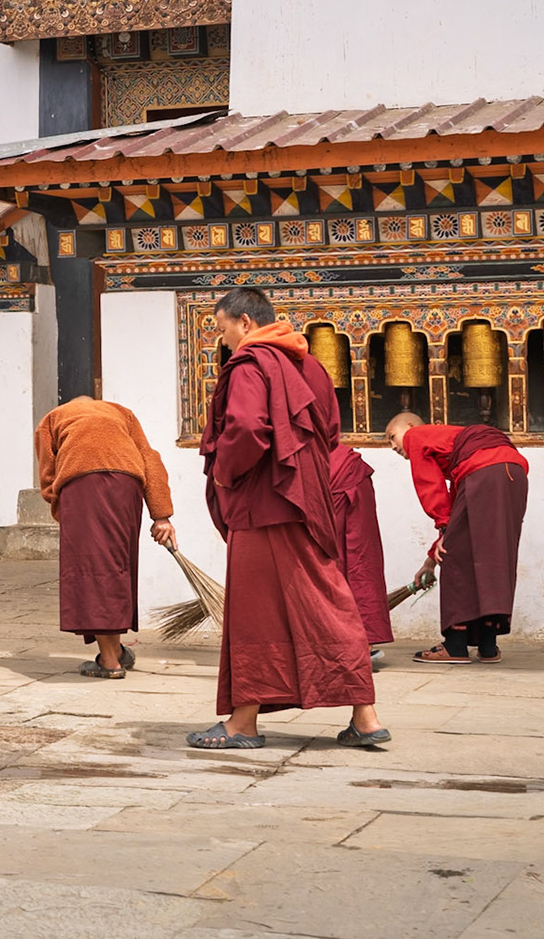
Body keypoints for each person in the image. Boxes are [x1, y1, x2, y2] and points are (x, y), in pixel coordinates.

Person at [191, 287, 389, 749]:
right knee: (321, 599)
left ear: (244, 323)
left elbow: (244, 429)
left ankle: (243, 725)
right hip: (307, 499)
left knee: (254, 613)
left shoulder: (251, 364)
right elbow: (330, 431)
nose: (224, 343)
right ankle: (364, 716)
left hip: (264, 503)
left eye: (222, 331)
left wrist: (223, 474)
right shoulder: (311, 365)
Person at [34, 396, 177, 678]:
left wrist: (63, 507)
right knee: (116, 566)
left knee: (91, 569)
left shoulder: (51, 419)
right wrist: (162, 516)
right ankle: (117, 651)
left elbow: (48, 474)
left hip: (81, 483)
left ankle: (109, 661)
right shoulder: (122, 413)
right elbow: (150, 459)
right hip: (128, 483)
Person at [384, 413, 529, 665]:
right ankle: (487, 643)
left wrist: (443, 532)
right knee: (492, 555)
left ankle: (455, 644)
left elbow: (430, 486)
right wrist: (431, 560)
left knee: (456, 557)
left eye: (392, 437)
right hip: (512, 473)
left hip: (485, 472)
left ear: (409, 427)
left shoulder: (417, 436)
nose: (393, 446)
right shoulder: (457, 453)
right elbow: (454, 512)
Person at [328, 445, 394, 667]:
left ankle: (352, 644)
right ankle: (360, 643)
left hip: (330, 473)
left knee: (329, 562)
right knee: (361, 559)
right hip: (341, 471)